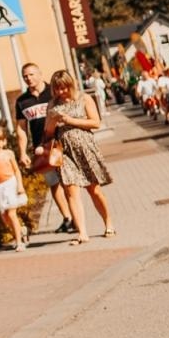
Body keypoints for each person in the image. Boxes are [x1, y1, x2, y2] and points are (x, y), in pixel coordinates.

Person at [44, 69, 115, 245]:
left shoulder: (84, 99)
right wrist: (53, 122)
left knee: (94, 190)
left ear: (71, 85)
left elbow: (95, 122)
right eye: (57, 89)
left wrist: (70, 120)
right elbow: (47, 133)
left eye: (64, 88)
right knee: (70, 191)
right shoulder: (52, 105)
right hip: (65, 152)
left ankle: (108, 222)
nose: (61, 92)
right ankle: (82, 232)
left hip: (85, 149)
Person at [14, 62, 75, 234]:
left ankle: (76, 216)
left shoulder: (53, 92)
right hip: (42, 148)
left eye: (32, 74)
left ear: (40, 74)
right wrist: (22, 152)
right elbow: (21, 128)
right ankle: (68, 218)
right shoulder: (22, 101)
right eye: (25, 76)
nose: (29, 78)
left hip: (61, 143)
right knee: (54, 184)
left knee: (68, 182)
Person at [0, 125, 28, 251]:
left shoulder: (8, 154)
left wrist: (20, 186)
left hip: (10, 184)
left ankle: (19, 242)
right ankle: (21, 230)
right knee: (4, 216)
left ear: (4, 142)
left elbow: (16, 170)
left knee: (12, 214)